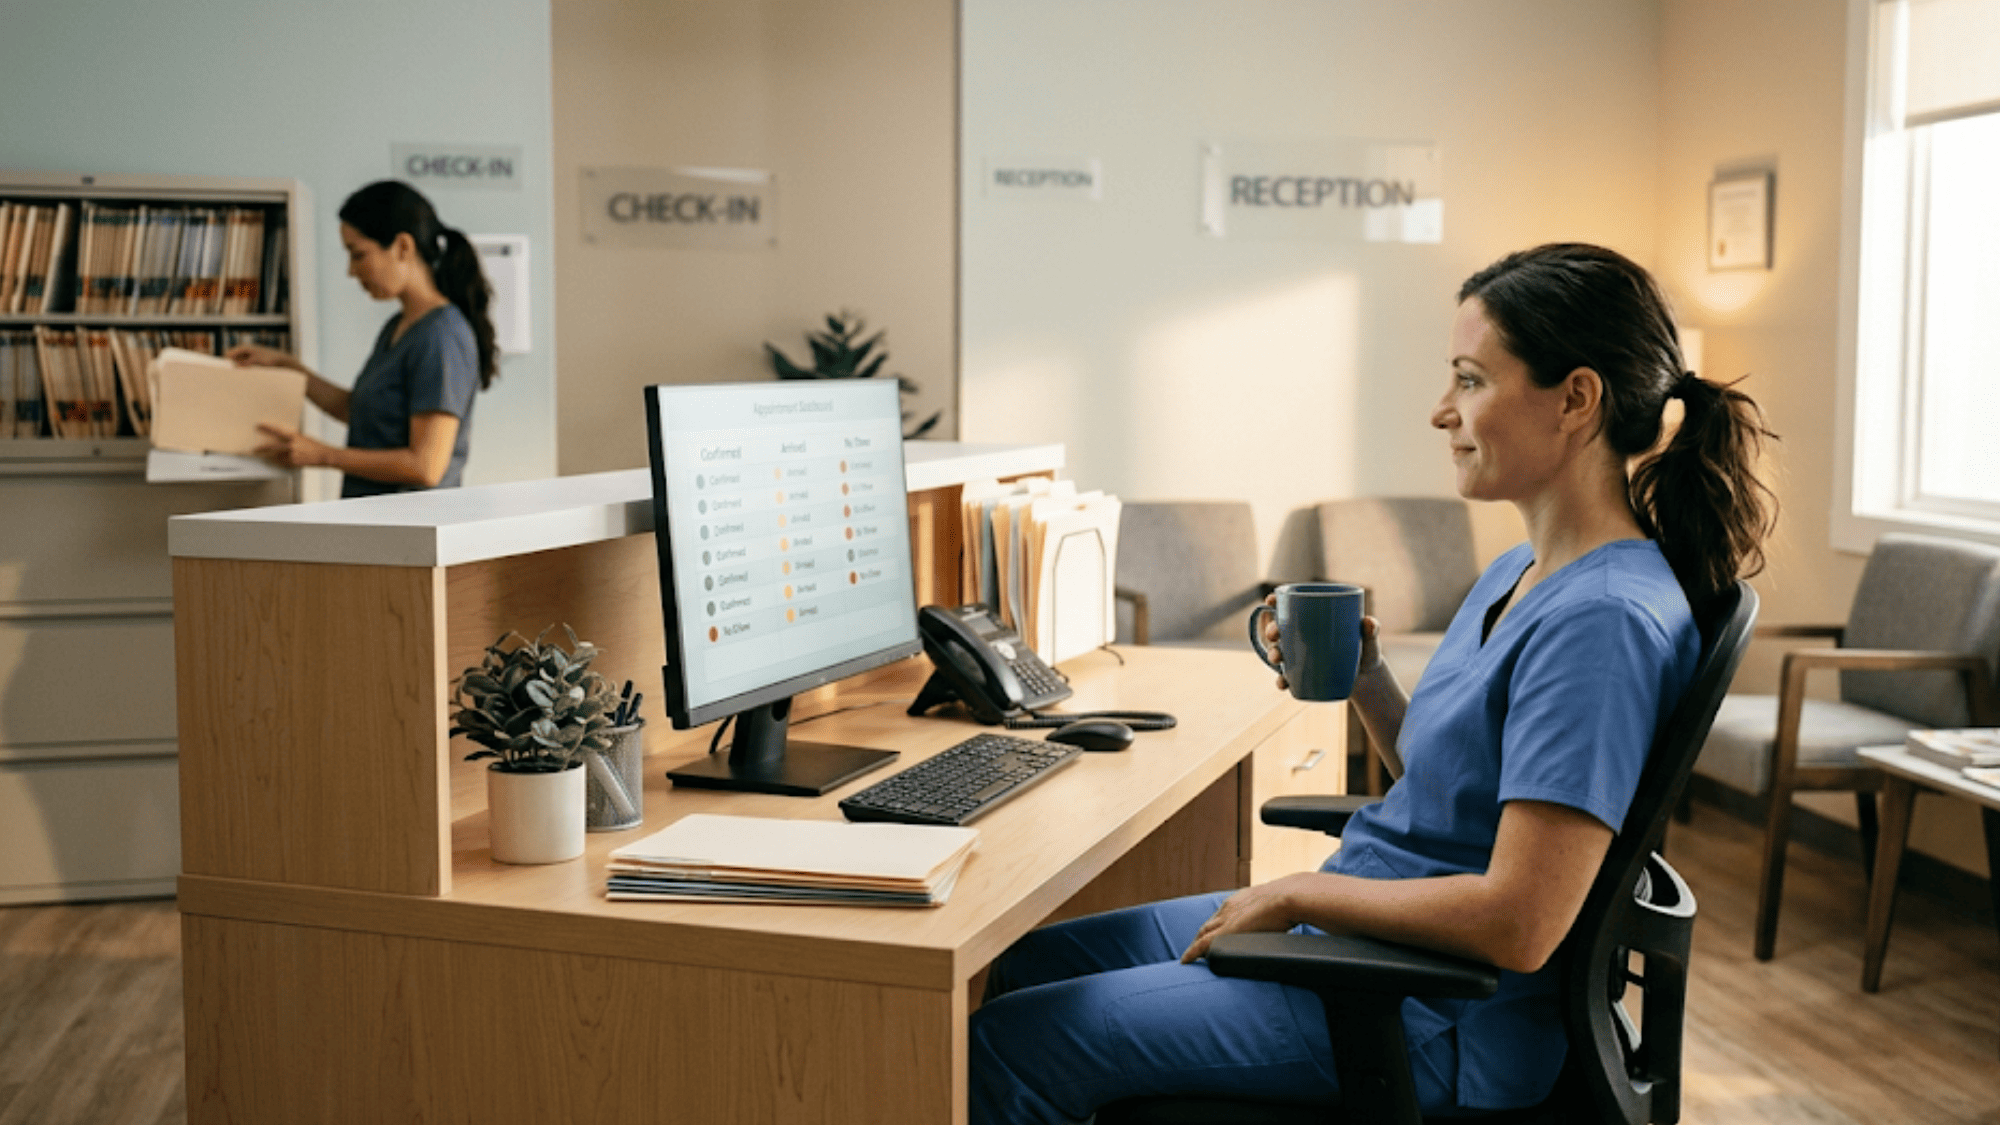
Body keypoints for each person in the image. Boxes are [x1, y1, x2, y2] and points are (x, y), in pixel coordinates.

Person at [968, 243, 1778, 1122]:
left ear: (1576, 399)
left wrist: (1296, 889)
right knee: (1018, 964)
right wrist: (1369, 681)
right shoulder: (1523, 568)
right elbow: (1454, 790)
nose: (1442, 411)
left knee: (1016, 1038)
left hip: (1426, 1006)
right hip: (1369, 932)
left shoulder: (1603, 621)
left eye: (1470, 379)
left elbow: (1523, 920)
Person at [228, 180, 497, 498]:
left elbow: (426, 466)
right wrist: (290, 368)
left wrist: (323, 455)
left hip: (410, 531)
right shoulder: (399, 327)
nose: (351, 271)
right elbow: (363, 413)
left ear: (402, 247)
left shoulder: (441, 336)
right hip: (375, 525)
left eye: (358, 255)